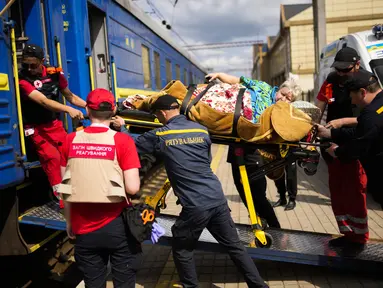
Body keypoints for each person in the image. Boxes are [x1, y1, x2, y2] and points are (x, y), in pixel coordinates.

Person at [112, 95, 268, 288]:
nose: (158, 120)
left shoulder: (161, 135)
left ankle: (189, 285)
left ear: (162, 113)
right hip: (217, 198)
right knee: (235, 247)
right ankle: (259, 286)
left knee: (182, 247)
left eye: (157, 116)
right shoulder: (202, 130)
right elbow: (206, 160)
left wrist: (123, 128)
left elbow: (131, 146)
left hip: (196, 205)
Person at [58, 89, 142, 288]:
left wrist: (69, 222)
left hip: (83, 227)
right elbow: (132, 188)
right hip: (118, 226)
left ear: (87, 109)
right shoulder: (122, 140)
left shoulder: (70, 140)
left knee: (93, 283)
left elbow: (66, 189)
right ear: (113, 109)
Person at [205, 72, 302, 228]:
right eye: (283, 95)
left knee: (257, 194)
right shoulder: (262, 86)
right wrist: (218, 74)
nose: (283, 99)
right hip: (237, 146)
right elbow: (237, 80)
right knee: (242, 189)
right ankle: (258, 220)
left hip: (256, 153)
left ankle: (274, 227)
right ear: (279, 89)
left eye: (288, 99)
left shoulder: (282, 113)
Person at [19, 44, 86, 208]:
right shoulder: (22, 79)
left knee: (70, 155)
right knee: (53, 159)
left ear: (42, 61)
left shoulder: (55, 74)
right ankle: (63, 200)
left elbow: (70, 96)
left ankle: (79, 191)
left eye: (33, 65)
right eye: (25, 64)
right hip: (36, 128)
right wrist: (68, 110)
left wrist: (90, 107)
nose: (29, 69)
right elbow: (44, 101)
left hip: (53, 124)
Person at [315, 47, 369, 246]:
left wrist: (343, 122)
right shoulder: (331, 81)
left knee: (355, 191)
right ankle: (347, 234)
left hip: (354, 143)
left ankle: (360, 238)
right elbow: (319, 108)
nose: (340, 74)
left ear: (357, 65)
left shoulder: (366, 82)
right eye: (338, 69)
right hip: (331, 144)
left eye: (345, 70)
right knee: (338, 192)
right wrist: (312, 131)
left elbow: (371, 117)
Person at [318, 70, 383, 214]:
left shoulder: (370, 114)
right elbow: (363, 131)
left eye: (352, 97)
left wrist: (336, 151)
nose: (352, 102)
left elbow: (358, 147)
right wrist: (331, 133)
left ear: (363, 92)